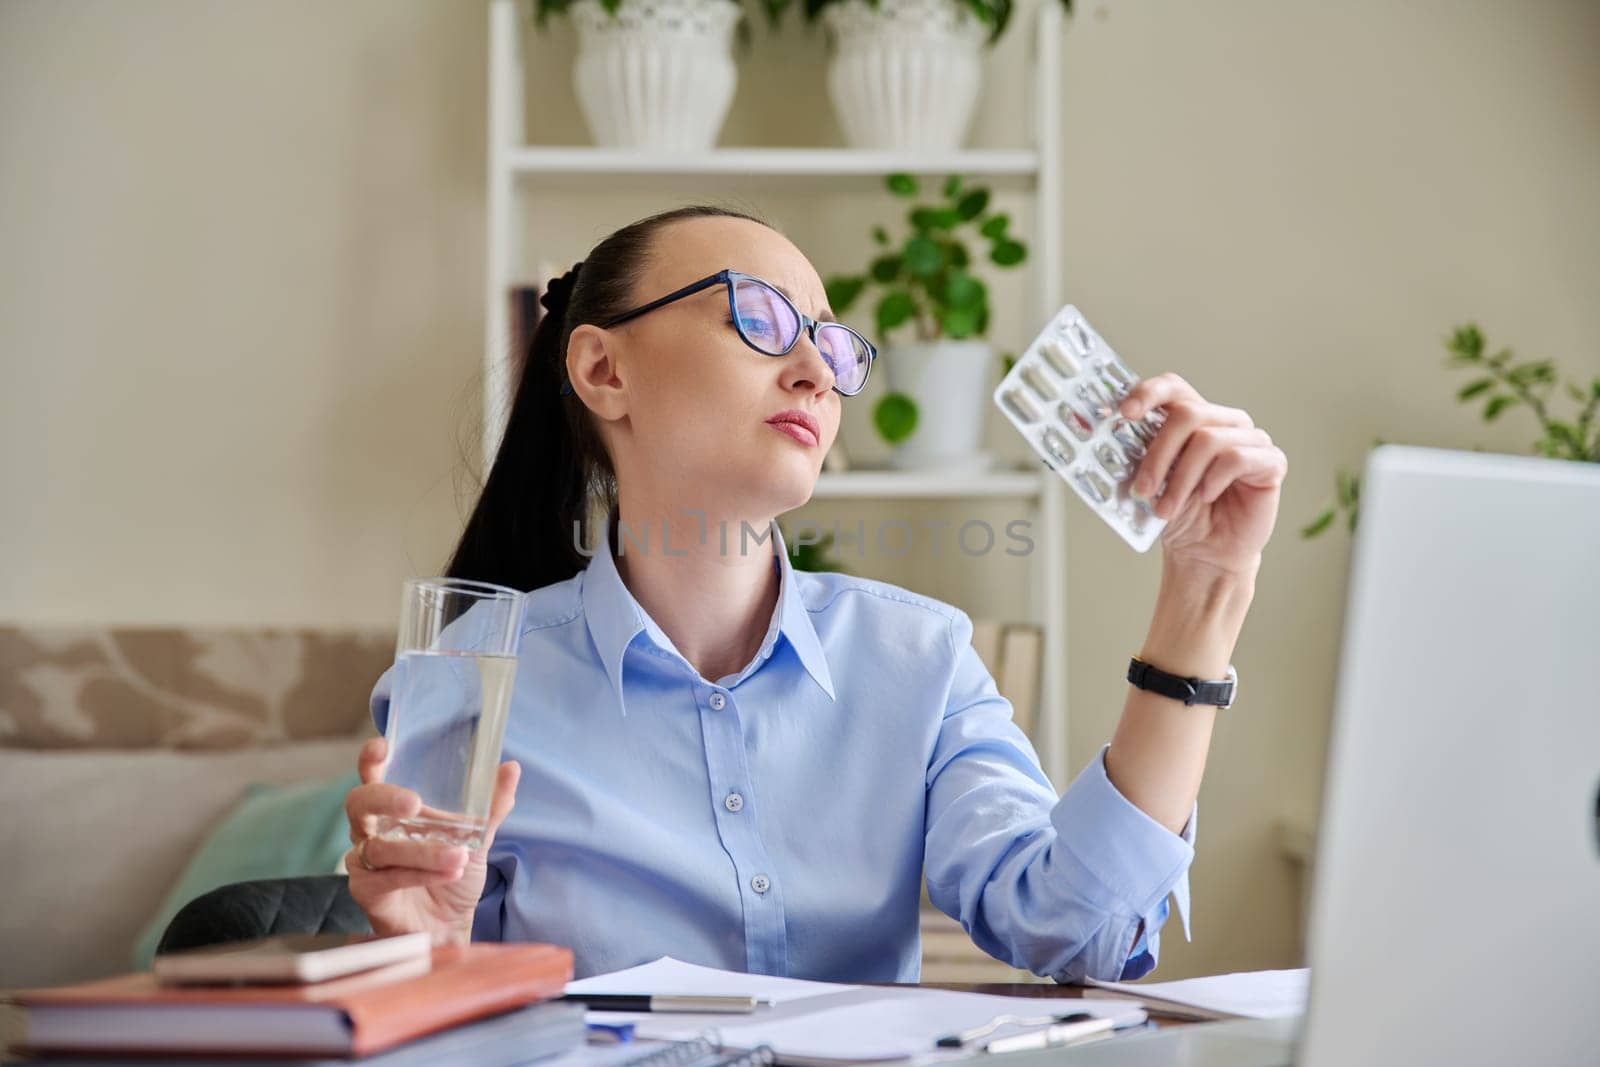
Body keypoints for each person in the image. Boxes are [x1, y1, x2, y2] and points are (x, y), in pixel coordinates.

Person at [342, 205, 1288, 982]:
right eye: (758, 317)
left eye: (833, 349)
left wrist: (1209, 589)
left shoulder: (920, 661)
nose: (812, 371)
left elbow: (1077, 930)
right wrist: (422, 951)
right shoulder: (467, 680)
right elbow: (425, 1006)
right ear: (602, 368)